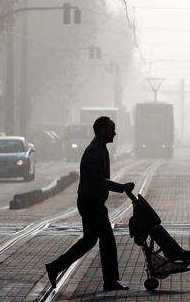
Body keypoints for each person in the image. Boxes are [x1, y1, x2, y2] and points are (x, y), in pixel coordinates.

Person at [45, 117, 135, 291]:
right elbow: (97, 180)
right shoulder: (94, 151)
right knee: (107, 240)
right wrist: (121, 187)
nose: (114, 133)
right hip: (91, 202)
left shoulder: (99, 149)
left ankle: (55, 267)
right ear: (102, 130)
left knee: (89, 240)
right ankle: (110, 281)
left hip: (91, 201)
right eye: (111, 129)